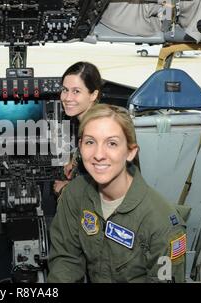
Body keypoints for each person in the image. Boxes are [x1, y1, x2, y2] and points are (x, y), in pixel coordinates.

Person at [47, 104, 187, 283]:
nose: (98, 155)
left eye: (111, 143)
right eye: (90, 142)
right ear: (80, 146)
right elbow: (66, 259)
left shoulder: (162, 224)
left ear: (130, 152)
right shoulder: (75, 193)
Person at [53, 61, 102, 195]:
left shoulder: (98, 129)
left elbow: (101, 190)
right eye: (65, 90)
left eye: (76, 91)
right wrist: (74, 162)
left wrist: (65, 189)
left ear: (93, 95)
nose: (67, 98)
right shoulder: (90, 120)